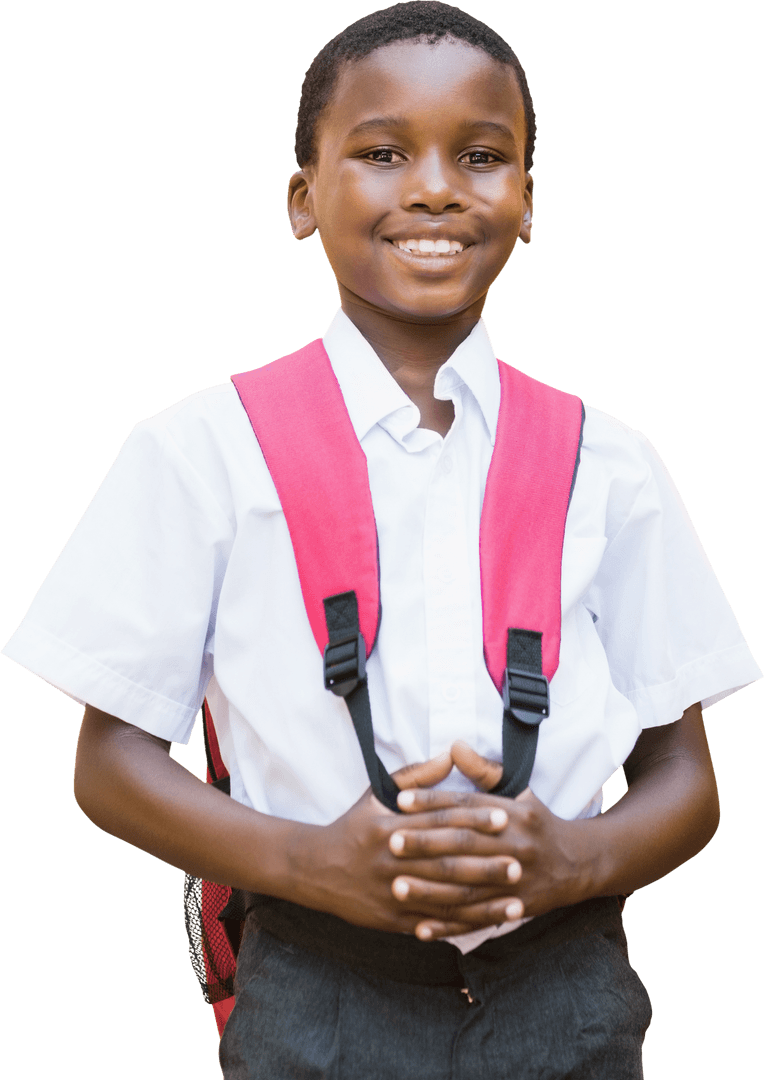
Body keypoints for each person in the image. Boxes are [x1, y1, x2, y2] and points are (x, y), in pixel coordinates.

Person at [2, 3, 761, 1077]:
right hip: (314, 987)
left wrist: (572, 857)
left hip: (568, 986)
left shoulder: (611, 461)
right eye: (381, 151)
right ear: (303, 198)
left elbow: (685, 777)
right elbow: (110, 764)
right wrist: (311, 864)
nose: (436, 186)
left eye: (483, 155)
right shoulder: (199, 451)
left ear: (528, 203)